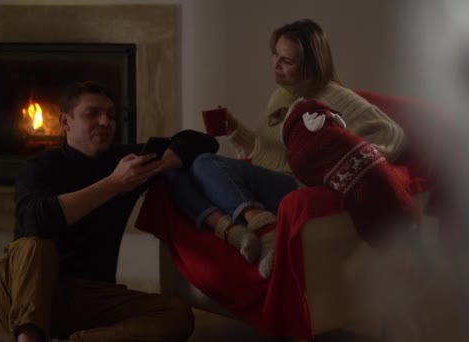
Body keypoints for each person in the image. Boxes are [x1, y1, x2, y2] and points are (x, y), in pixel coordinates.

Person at [163, 18, 406, 279]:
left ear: (311, 68)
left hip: (294, 187)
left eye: (287, 61)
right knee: (177, 174)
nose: (276, 65)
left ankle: (267, 232)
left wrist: (340, 157)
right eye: (275, 54)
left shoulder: (333, 96)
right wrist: (234, 128)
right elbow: (262, 149)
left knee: (204, 163)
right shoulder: (282, 93)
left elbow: (391, 133)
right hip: (266, 178)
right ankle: (235, 232)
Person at [0, 81, 217, 342]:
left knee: (176, 315)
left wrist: (162, 164)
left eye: (111, 115)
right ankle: (29, 337)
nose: (105, 121)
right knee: (36, 246)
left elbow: (200, 142)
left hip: (90, 296)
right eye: (93, 114)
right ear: (65, 122)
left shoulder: (124, 162)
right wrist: (112, 185)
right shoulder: (39, 167)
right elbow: (35, 221)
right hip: (25, 292)